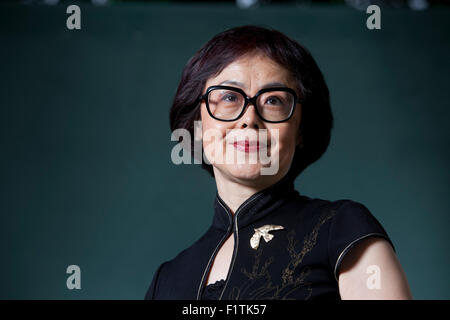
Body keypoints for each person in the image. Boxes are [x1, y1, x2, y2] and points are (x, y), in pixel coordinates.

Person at [145, 25, 412, 300]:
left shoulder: (344, 230)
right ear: (197, 125)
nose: (249, 118)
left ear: (301, 132)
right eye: (228, 97)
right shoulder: (167, 281)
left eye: (273, 100)